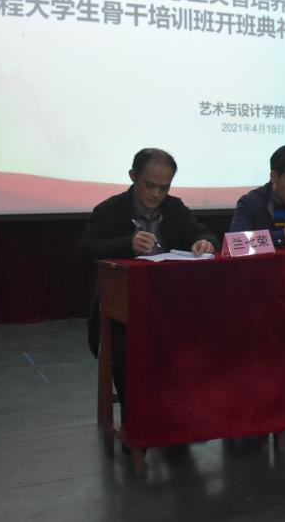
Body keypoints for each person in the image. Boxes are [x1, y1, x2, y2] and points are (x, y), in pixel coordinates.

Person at [77, 148, 218, 411]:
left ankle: (184, 410)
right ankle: (137, 417)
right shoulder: (110, 210)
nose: (156, 194)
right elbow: (85, 250)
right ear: (133, 176)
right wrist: (126, 244)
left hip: (172, 302)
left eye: (164, 188)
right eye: (150, 185)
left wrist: (204, 242)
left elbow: (203, 233)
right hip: (125, 306)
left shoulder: (174, 208)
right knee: (127, 349)